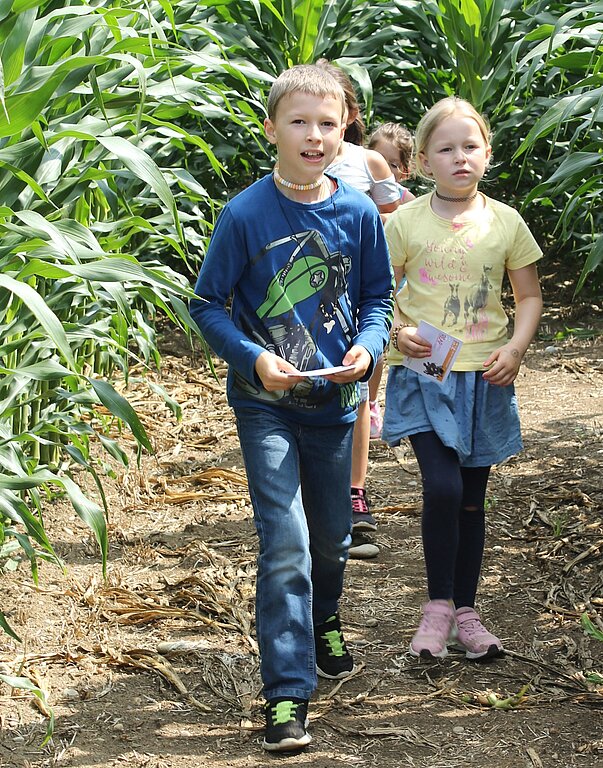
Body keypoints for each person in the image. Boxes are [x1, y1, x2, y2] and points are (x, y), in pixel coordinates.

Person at [190, 65, 393, 751]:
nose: (313, 136)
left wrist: (367, 349)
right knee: (285, 544)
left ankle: (325, 616)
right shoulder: (245, 214)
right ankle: (285, 695)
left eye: (328, 124)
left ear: (346, 132)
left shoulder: (358, 212)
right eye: (299, 123)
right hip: (264, 404)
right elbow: (206, 304)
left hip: (334, 404)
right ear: (271, 128)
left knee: (331, 541)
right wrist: (252, 358)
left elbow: (375, 301)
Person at [382, 96, 542, 660]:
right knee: (443, 487)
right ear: (424, 161)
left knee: (473, 498)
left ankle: (466, 612)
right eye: (446, 149)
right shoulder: (403, 222)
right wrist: (397, 333)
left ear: (487, 154)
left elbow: (528, 295)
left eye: (469, 147)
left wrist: (516, 348)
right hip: (425, 373)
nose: (460, 158)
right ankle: (436, 609)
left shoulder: (505, 221)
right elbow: (379, 295)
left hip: (484, 377)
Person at [315, 59, 399, 552]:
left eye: (329, 116)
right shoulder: (298, 158)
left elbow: (394, 217)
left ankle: (354, 496)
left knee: (361, 393)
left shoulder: (368, 163)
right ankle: (318, 498)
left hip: (364, 292)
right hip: (314, 297)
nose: (315, 132)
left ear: (347, 113)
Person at [366, 122, 417, 438]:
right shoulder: (355, 195)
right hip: (363, 282)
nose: (381, 170)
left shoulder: (408, 202)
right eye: (376, 160)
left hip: (397, 288)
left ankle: (371, 403)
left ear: (405, 170)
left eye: (391, 164)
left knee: (383, 349)